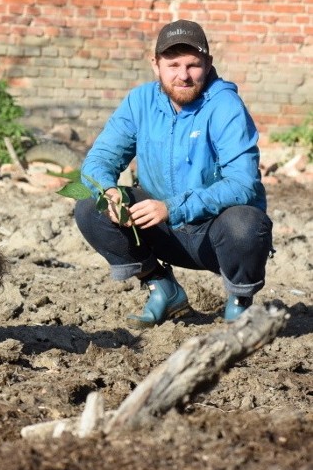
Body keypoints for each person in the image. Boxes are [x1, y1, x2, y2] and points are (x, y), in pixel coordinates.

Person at [74, 19, 273, 326]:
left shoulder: (225, 106)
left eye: (193, 65)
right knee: (90, 207)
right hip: (160, 231)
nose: (183, 75)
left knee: (247, 224)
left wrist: (172, 207)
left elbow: (243, 183)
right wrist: (108, 191)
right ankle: (161, 287)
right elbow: (98, 161)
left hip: (215, 238)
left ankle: (239, 303)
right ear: (155, 65)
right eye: (173, 64)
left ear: (208, 65)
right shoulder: (140, 102)